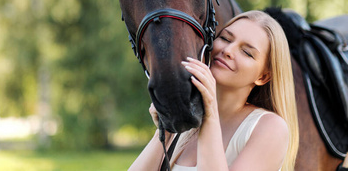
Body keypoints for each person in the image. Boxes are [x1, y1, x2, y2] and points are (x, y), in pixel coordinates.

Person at [128, 10, 299, 171]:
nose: (228, 51)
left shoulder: (270, 127)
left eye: (247, 52)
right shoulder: (190, 119)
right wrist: (166, 131)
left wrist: (211, 113)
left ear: (263, 77)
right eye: (225, 38)